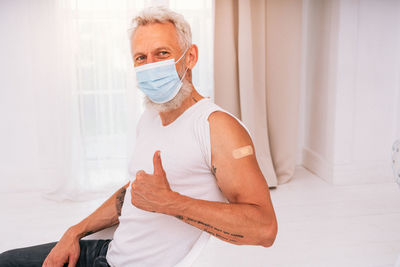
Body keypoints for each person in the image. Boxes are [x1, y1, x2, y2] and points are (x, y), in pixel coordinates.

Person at [0, 6, 277, 267]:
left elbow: (264, 229)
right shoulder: (150, 117)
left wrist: (171, 202)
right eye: (141, 58)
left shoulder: (217, 127)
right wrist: (75, 231)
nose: (150, 66)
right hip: (108, 252)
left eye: (162, 53)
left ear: (190, 56)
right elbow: (135, 191)